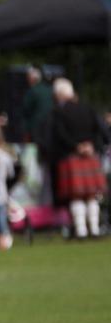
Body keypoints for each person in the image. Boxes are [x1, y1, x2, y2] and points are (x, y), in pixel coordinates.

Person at [46, 78, 104, 239]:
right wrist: (90, 145)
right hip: (90, 155)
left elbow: (59, 135)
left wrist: (76, 146)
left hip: (70, 156)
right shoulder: (88, 108)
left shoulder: (59, 112)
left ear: (60, 94)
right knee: (92, 195)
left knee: (76, 196)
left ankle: (81, 231)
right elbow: (100, 130)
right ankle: (94, 229)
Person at [20, 66, 52, 145]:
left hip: (36, 129)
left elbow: (25, 110)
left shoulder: (32, 91)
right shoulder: (50, 90)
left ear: (31, 79)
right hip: (51, 127)